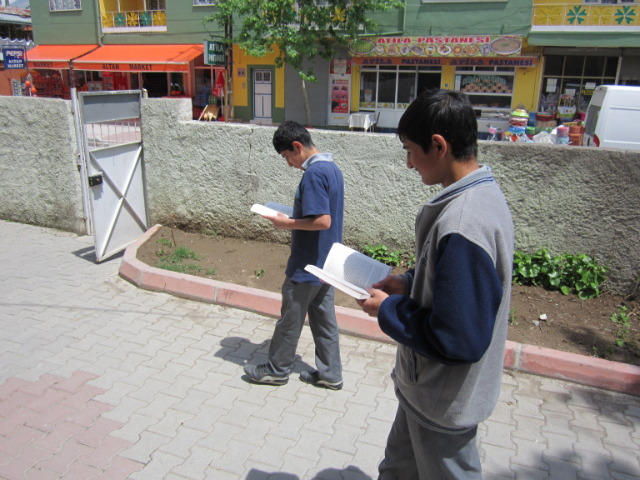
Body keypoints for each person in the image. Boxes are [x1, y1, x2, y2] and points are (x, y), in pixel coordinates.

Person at [357, 89, 514, 479]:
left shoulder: (464, 222)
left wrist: (388, 309)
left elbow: (457, 337)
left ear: (439, 145)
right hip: (423, 392)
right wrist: (408, 283)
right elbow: (453, 287)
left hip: (444, 404)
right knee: (396, 471)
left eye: (410, 150)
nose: (409, 164)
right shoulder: (478, 196)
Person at [244, 121, 344, 390]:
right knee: (324, 322)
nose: (288, 163)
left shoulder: (314, 174)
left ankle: (276, 369)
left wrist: (285, 222)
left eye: (287, 156)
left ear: (297, 146)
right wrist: (294, 216)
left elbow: (322, 221)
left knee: (290, 317)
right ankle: (330, 374)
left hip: (308, 264)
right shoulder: (332, 169)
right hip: (327, 264)